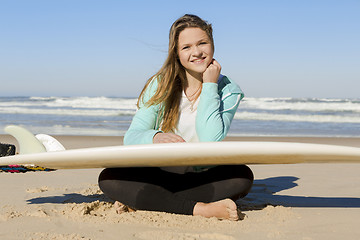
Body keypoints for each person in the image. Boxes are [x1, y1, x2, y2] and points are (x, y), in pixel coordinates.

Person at [98, 14, 253, 221]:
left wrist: (209, 85)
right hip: (158, 174)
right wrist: (155, 137)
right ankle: (202, 209)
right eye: (186, 47)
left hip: (200, 177)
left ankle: (146, 201)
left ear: (212, 45)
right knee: (109, 177)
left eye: (202, 43)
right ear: (176, 53)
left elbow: (210, 140)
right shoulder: (160, 85)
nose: (197, 52)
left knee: (242, 177)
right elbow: (132, 136)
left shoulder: (228, 90)